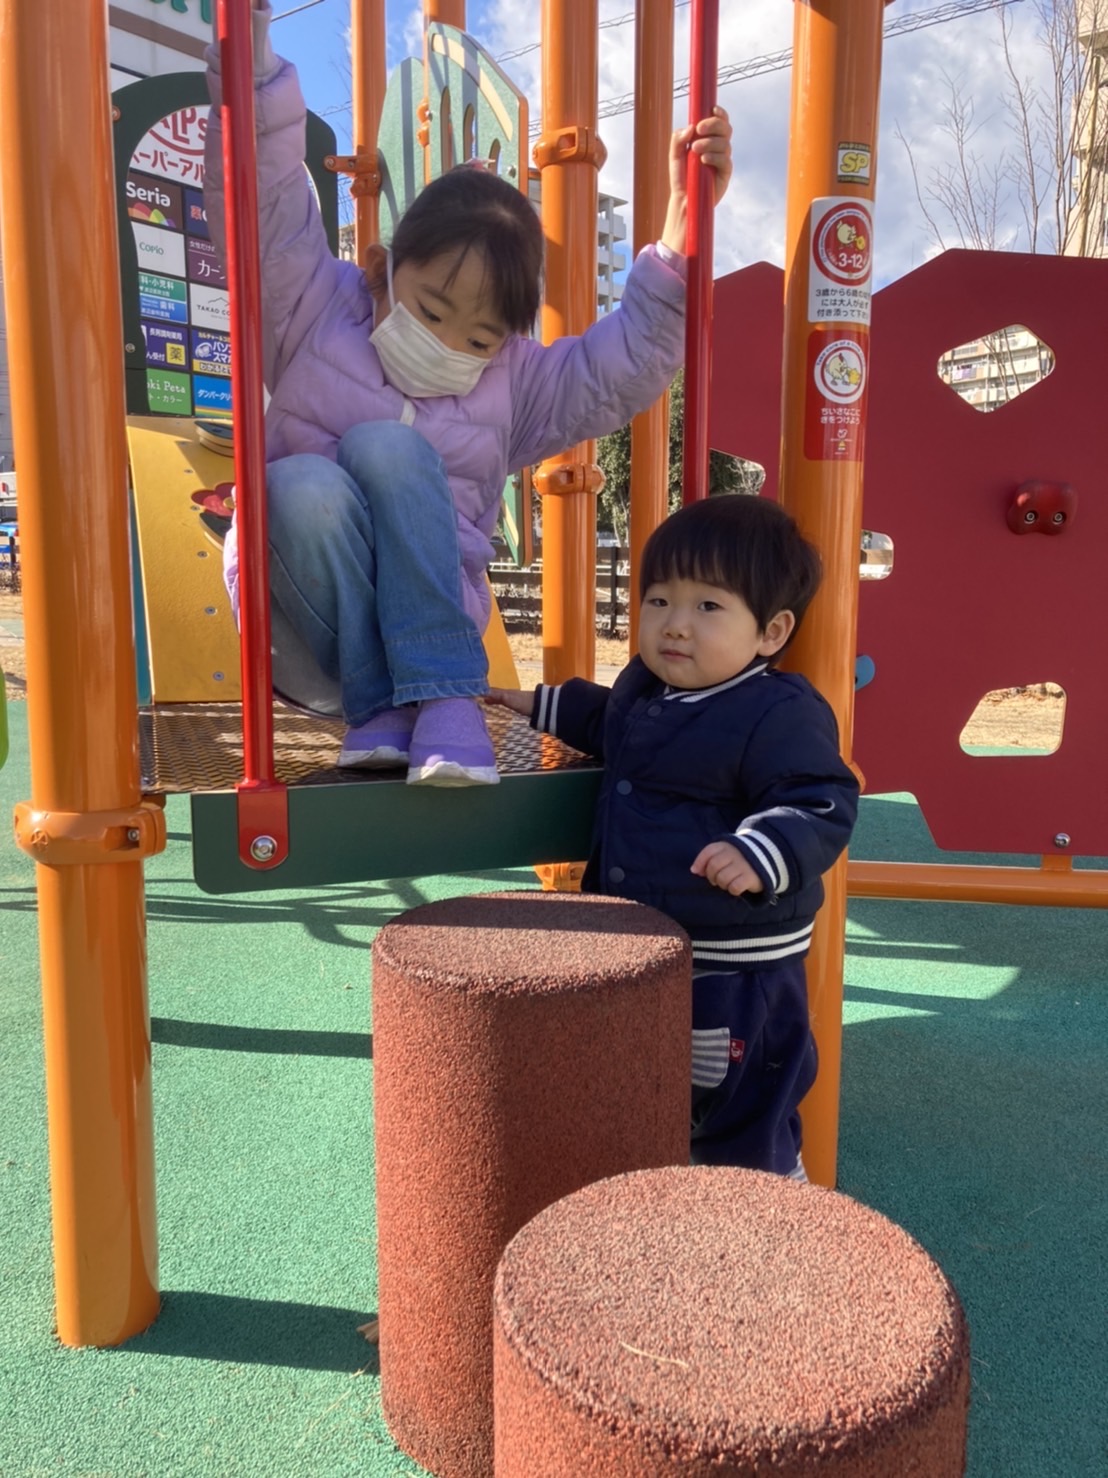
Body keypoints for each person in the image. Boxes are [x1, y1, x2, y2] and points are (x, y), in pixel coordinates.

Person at [203, 1, 732, 784]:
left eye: (480, 339)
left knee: (388, 449)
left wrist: (683, 236)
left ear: (506, 339)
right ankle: (418, 697)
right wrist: (252, 68)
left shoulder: (515, 385)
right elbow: (266, 208)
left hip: (432, 648)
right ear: (384, 268)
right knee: (303, 482)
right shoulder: (313, 311)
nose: (450, 347)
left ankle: (428, 702)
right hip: (306, 629)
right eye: (431, 311)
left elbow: (618, 366)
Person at [488, 495, 860, 1178]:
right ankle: (659, 1194)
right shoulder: (646, 689)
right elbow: (606, 721)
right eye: (659, 601)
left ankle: (763, 1199)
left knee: (736, 1115)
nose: (675, 624)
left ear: (771, 631)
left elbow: (820, 798)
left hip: (733, 967)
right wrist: (539, 703)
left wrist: (759, 851)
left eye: (708, 606)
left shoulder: (775, 710)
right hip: (647, 947)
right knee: (648, 1092)